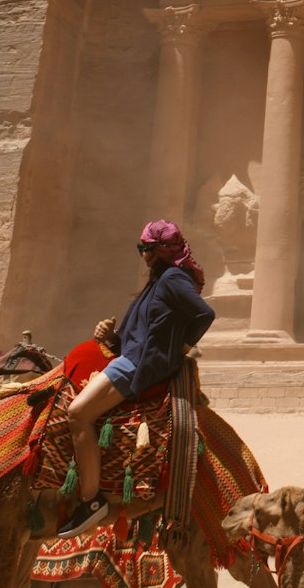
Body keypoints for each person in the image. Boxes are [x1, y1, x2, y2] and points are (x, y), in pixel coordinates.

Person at [58, 219, 215, 537]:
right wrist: (112, 337)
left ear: (159, 250)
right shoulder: (159, 281)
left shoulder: (172, 277)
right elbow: (143, 334)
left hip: (135, 366)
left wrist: (179, 349)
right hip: (130, 357)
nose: (141, 254)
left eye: (144, 248)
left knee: (77, 414)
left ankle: (91, 500)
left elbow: (205, 313)